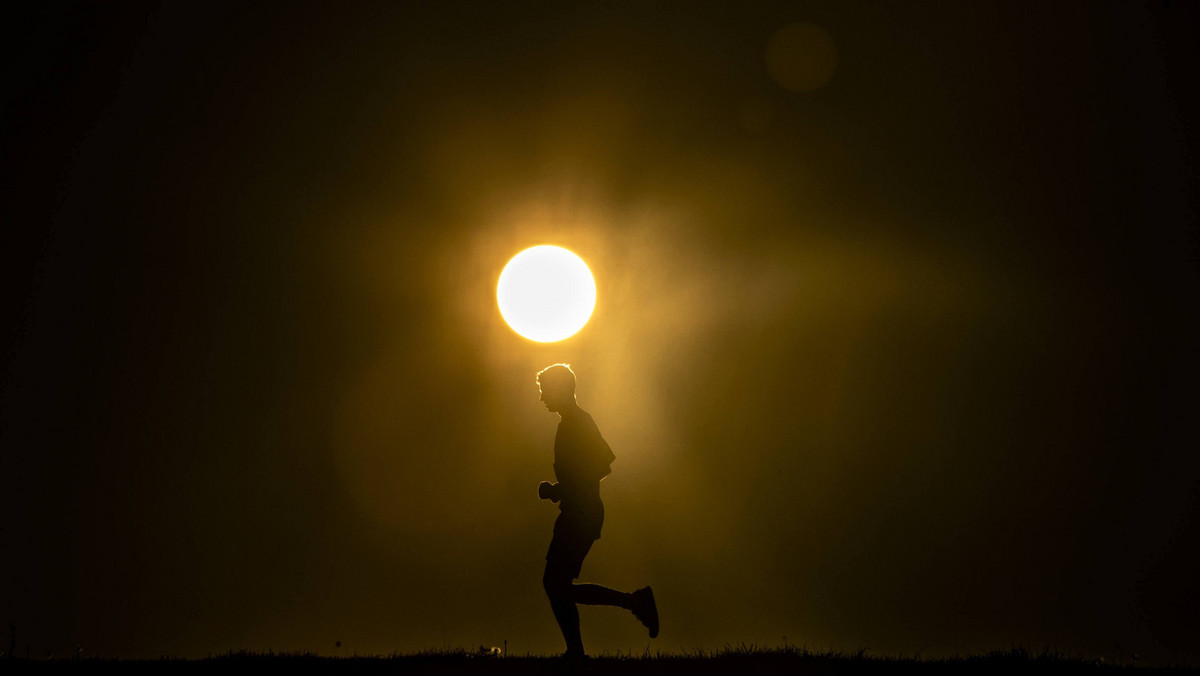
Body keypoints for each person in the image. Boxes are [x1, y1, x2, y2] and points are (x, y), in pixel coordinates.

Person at [535, 363, 658, 659]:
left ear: (560, 390)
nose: (542, 399)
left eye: (545, 391)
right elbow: (599, 467)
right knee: (557, 584)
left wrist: (557, 490)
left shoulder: (576, 424)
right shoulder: (574, 423)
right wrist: (563, 489)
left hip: (582, 513)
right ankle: (579, 648)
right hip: (581, 511)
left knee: (555, 584)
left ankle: (632, 605)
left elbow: (598, 468)